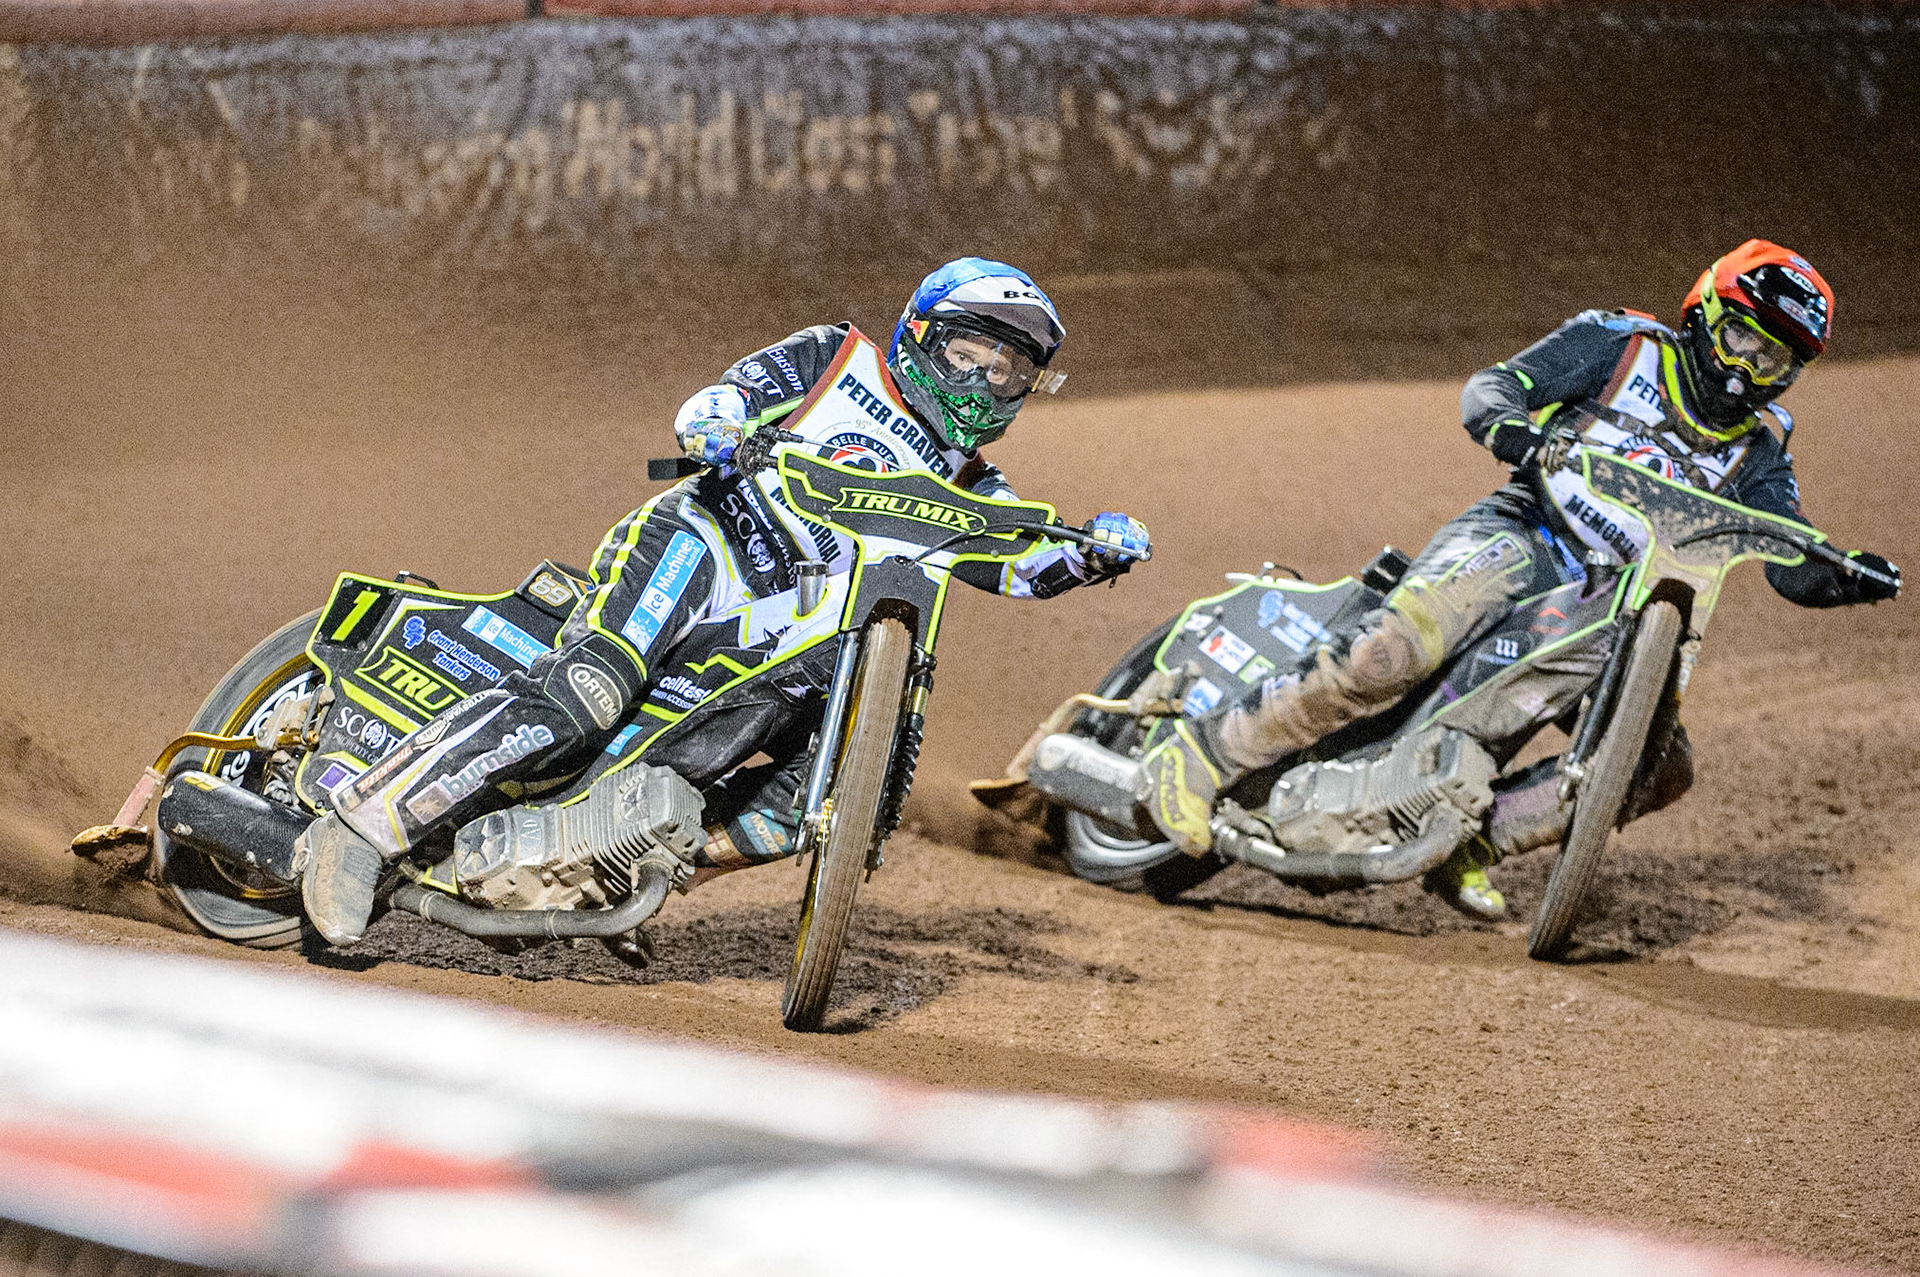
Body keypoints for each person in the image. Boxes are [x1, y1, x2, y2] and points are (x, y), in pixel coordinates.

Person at [300, 257, 1152, 946]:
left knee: (793, 809)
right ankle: (361, 828)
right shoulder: (839, 360)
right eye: (972, 353)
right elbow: (730, 396)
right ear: (922, 335)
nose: (985, 380)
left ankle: (617, 869)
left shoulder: (972, 486)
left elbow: (1026, 562)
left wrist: (1095, 549)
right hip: (704, 546)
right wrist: (717, 418)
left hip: (773, 648)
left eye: (1009, 370)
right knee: (588, 689)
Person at [1138, 239, 1900, 917]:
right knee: (1390, 654)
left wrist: (1838, 576)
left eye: (1774, 360)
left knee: (1659, 768)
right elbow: (1493, 387)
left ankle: (1475, 839)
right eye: (1742, 340)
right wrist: (1514, 426)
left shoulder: (1762, 453)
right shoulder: (1624, 346)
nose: (1748, 371)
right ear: (1702, 312)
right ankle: (1202, 751)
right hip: (1527, 533)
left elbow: (1787, 556)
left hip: (1622, 610)